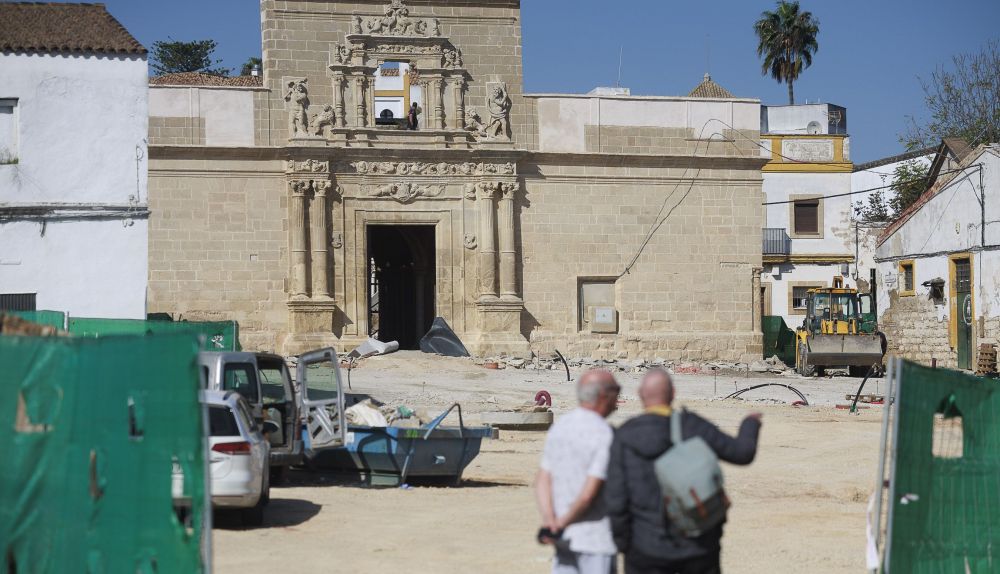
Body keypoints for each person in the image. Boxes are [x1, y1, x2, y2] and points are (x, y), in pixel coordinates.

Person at [605, 369, 762, 574]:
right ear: (673, 394)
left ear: (641, 396)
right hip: (698, 546)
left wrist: (624, 544)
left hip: (646, 547)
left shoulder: (625, 435)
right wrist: (750, 423)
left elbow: (616, 499)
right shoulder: (692, 425)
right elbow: (742, 453)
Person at [536, 369, 621, 574]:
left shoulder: (560, 427)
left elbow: (542, 479)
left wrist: (551, 522)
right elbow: (588, 495)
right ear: (603, 396)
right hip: (595, 540)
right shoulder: (604, 435)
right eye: (616, 392)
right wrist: (562, 523)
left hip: (563, 539)